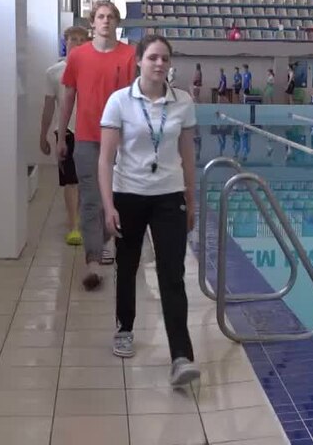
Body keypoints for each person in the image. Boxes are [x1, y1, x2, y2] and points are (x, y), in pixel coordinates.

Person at [97, 35, 201, 386]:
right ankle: (124, 327)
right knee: (128, 267)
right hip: (128, 194)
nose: (160, 64)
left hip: (169, 196)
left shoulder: (182, 102)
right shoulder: (120, 101)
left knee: (173, 274)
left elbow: (188, 155)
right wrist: (108, 206)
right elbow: (105, 159)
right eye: (153, 57)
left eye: (165, 58)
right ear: (139, 60)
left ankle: (181, 355)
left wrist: (191, 199)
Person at [59, 0, 137, 290]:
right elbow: (68, 97)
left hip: (121, 140)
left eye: (111, 16)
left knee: (113, 200)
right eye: (101, 16)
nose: (105, 21)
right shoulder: (78, 56)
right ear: (92, 22)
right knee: (91, 200)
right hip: (87, 139)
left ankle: (104, 241)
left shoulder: (129, 55)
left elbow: (135, 99)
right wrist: (60, 136)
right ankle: (93, 261)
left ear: (117, 22)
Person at [41, 26, 90, 246]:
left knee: (86, 181)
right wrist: (42, 134)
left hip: (90, 131)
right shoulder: (54, 72)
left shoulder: (94, 69)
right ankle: (73, 225)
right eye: (73, 39)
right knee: (71, 181)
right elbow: (48, 106)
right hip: (66, 131)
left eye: (81, 40)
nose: (77, 43)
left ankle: (82, 218)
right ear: (65, 42)